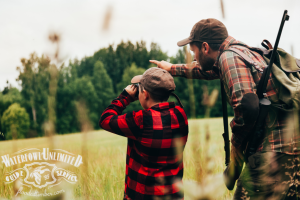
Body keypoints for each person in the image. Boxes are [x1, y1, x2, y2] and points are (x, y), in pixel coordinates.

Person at [150, 18, 300, 199]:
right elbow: (207, 70)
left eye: (194, 52)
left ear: (205, 47)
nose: (194, 57)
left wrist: (235, 161)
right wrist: (172, 68)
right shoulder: (244, 52)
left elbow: (248, 109)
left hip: (273, 155)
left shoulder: (229, 58)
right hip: (292, 151)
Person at [99, 67, 188, 200]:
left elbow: (105, 120)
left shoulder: (141, 120)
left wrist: (125, 98)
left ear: (145, 94)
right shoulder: (180, 114)